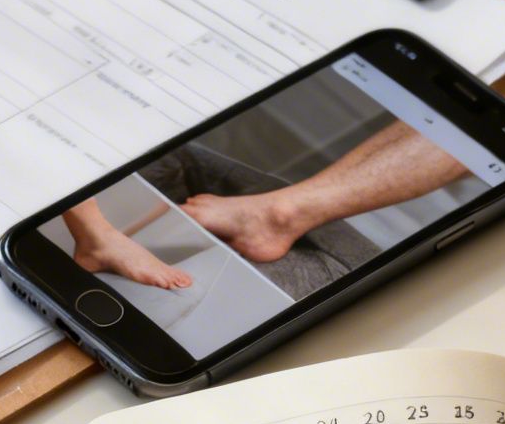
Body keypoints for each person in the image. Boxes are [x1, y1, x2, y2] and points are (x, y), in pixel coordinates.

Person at [62, 120, 470, 298]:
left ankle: (281, 214)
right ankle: (96, 236)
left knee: (469, 128)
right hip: (286, 196)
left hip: (365, 245)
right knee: (155, 154)